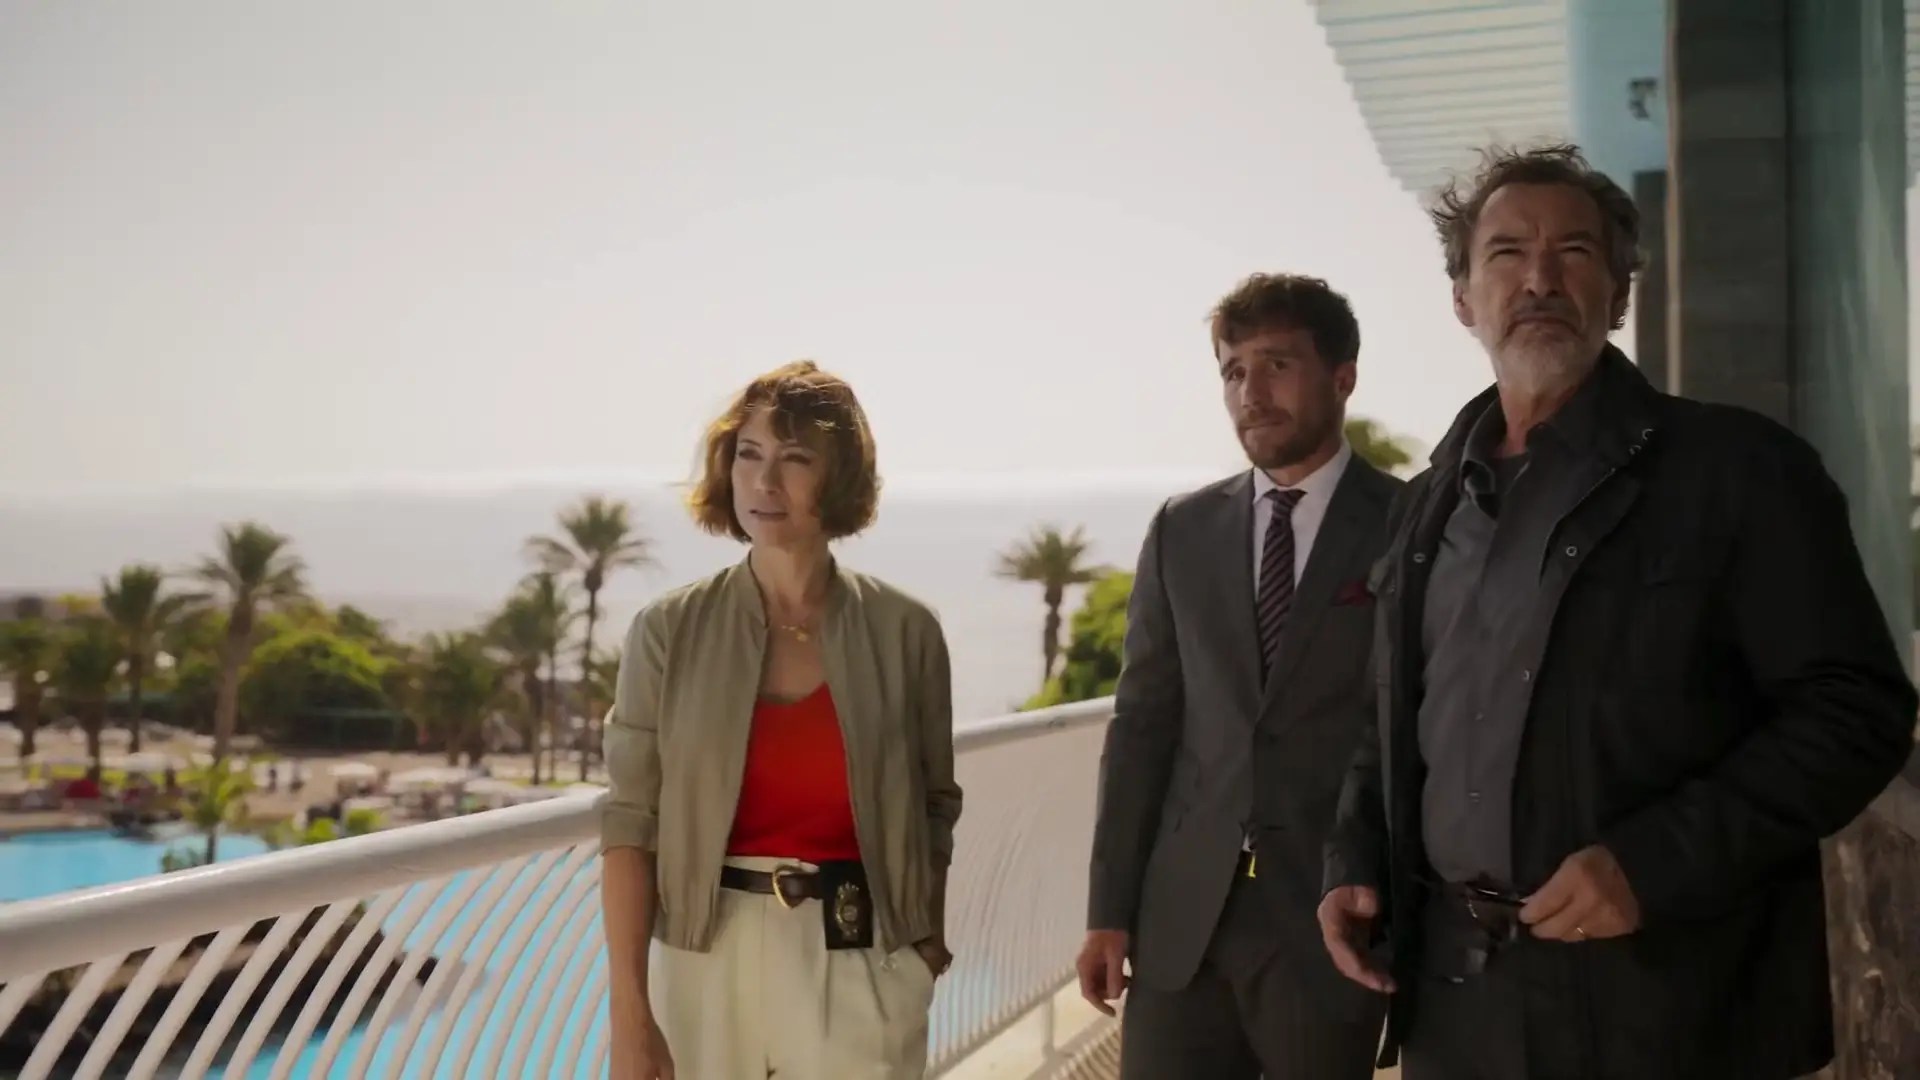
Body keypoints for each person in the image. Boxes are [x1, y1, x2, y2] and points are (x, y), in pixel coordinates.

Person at [1318, 143, 1919, 1080]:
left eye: (1575, 252)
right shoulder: (1424, 508)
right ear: (1464, 299)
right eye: (1507, 253)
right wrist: (1355, 859)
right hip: (1453, 1001)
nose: (1540, 280)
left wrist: (1653, 865)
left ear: (1620, 293)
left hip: (1662, 1006)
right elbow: (1389, 720)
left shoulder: (1739, 472)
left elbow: (1856, 711)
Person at [600, 359, 962, 1080]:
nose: (765, 482)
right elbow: (631, 825)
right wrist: (630, 1013)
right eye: (749, 454)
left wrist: (923, 947)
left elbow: (934, 803)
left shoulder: (906, 631)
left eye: (796, 459)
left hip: (862, 952)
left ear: (841, 477)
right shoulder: (668, 629)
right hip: (706, 961)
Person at [1079, 273, 1402, 1078]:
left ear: (1342, 377)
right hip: (1183, 921)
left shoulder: (1408, 523)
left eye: (1276, 365)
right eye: (1233, 370)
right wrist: (1108, 912)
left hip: (1331, 922)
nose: (1250, 393)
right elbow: (1143, 725)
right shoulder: (1181, 528)